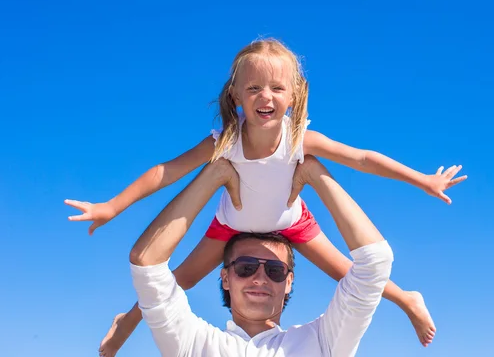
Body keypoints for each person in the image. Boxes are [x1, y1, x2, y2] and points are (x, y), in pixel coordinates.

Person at [66, 38, 466, 356]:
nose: (265, 96)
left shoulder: (300, 139)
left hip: (289, 221)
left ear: (294, 94)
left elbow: (362, 158)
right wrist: (111, 207)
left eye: (277, 87)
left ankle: (407, 299)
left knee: (347, 272)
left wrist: (423, 180)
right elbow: (165, 172)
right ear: (236, 94)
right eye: (254, 87)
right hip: (232, 225)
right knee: (178, 279)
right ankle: (127, 323)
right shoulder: (224, 141)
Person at [129, 156, 394, 356]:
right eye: (246, 267)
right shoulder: (194, 342)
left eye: (275, 270)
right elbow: (146, 263)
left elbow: (376, 263)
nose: (260, 278)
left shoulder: (323, 342)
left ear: (289, 281)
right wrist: (214, 175)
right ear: (225, 277)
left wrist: (315, 173)